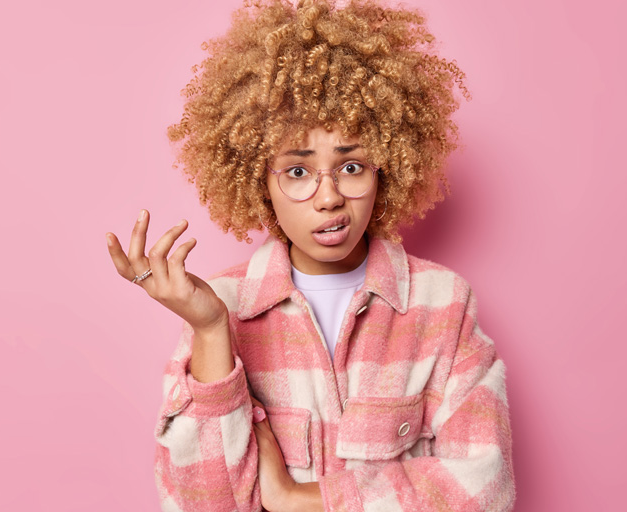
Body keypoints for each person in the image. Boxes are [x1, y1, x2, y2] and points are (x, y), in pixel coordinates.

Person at [106, 0, 516, 510]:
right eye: (298, 172)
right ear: (260, 180)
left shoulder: (444, 306)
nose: (328, 197)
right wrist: (212, 330)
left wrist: (304, 499)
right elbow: (198, 503)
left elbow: (485, 485)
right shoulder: (223, 305)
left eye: (352, 166)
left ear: (386, 167)